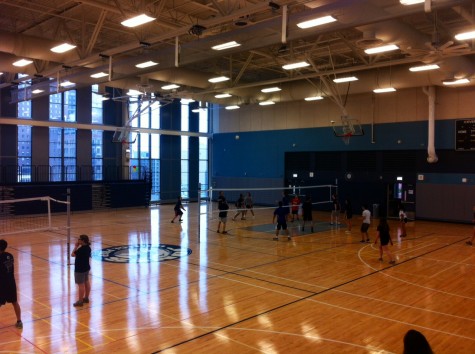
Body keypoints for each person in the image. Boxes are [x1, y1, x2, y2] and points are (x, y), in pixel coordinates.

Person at [0, 239, 22, 329]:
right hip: (11, 283)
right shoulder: (10, 256)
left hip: (2, 284)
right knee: (15, 302)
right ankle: (19, 321)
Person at [71, 234, 92, 307]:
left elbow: (72, 254)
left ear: (83, 241)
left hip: (80, 269)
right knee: (86, 282)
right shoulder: (88, 248)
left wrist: (76, 246)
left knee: (81, 285)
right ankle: (86, 298)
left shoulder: (81, 249)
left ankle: (80, 301)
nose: (78, 240)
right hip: (86, 268)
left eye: (79, 239)